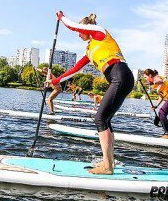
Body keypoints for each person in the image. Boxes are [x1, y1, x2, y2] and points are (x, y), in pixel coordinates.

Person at [48, 11, 134, 175]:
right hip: (119, 79)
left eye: (80, 32)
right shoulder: (90, 50)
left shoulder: (100, 33)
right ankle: (109, 163)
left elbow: (72, 26)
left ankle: (108, 167)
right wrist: (55, 81)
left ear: (86, 29)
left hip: (121, 76)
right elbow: (74, 70)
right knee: (105, 120)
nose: (79, 35)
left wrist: (61, 18)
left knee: (100, 118)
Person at [143, 69, 168, 139]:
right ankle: (167, 134)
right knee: (161, 113)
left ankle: (167, 134)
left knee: (161, 113)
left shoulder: (156, 77)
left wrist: (153, 83)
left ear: (150, 75)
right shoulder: (155, 86)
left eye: (146, 77)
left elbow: (160, 81)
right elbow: (161, 96)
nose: (146, 79)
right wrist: (156, 105)